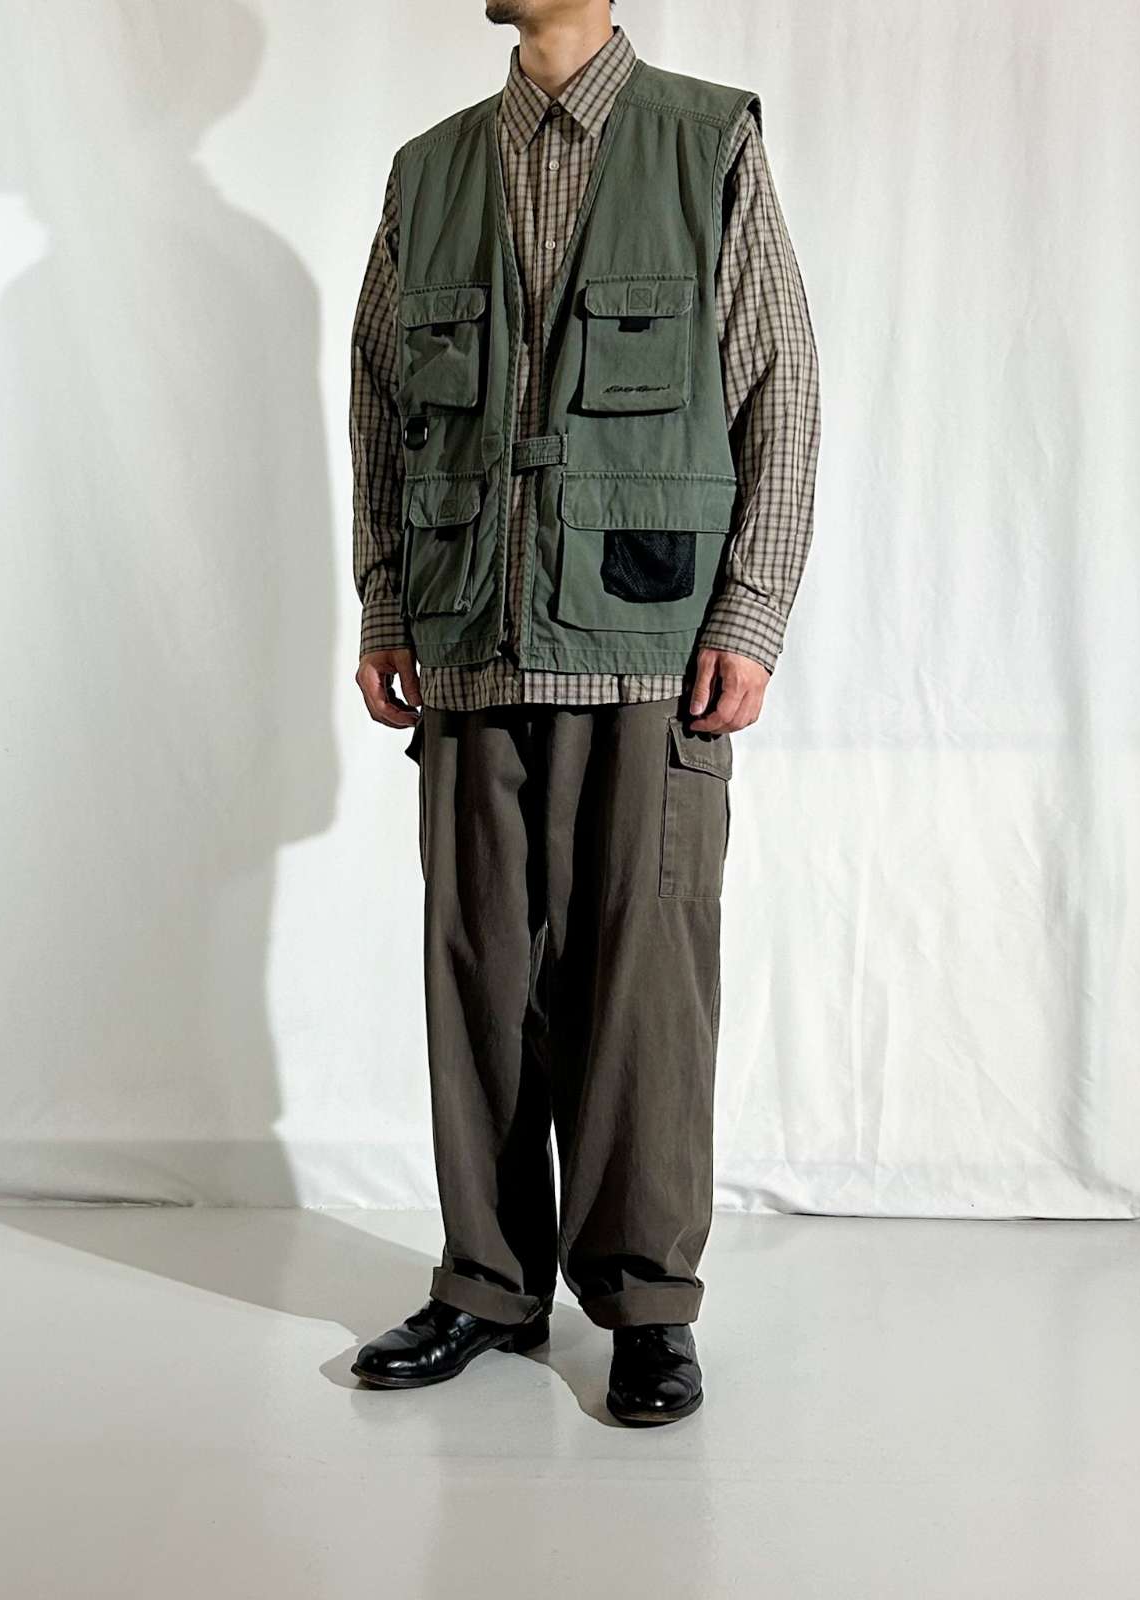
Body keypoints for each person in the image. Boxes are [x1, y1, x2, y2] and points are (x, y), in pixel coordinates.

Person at [346, 0, 819, 1425]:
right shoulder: (430, 169)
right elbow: (380, 405)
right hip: (470, 634)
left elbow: (779, 386)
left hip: (647, 643)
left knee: (644, 984)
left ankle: (646, 1305)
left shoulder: (705, 142)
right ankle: (488, 1285)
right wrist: (385, 597)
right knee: (478, 975)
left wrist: (750, 611)